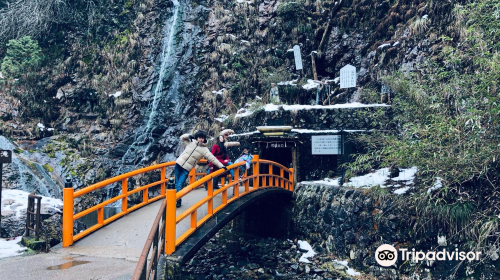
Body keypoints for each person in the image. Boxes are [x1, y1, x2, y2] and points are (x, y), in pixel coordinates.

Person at [175, 130, 226, 208]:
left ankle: (177, 200)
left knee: (179, 184)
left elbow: (212, 158)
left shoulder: (204, 149)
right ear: (196, 137)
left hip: (186, 169)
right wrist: (188, 136)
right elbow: (182, 138)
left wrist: (221, 166)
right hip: (178, 164)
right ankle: (176, 199)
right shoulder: (190, 142)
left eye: (202, 138)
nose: (201, 139)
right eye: (199, 137)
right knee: (176, 183)